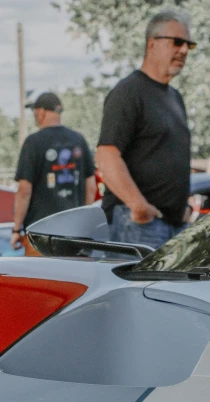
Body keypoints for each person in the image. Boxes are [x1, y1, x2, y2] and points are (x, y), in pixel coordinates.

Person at [97, 9, 194, 249]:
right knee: (136, 289)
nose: (183, 50)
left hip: (172, 227)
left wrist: (184, 208)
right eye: (177, 42)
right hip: (137, 225)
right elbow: (106, 155)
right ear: (152, 44)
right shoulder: (129, 92)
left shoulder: (175, 97)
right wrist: (138, 205)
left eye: (188, 45)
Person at [11, 92, 96, 251]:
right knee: (72, 276)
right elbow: (91, 187)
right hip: (75, 234)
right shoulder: (79, 140)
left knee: (41, 276)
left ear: (41, 112)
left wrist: (16, 229)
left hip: (40, 236)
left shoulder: (33, 142)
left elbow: (24, 190)